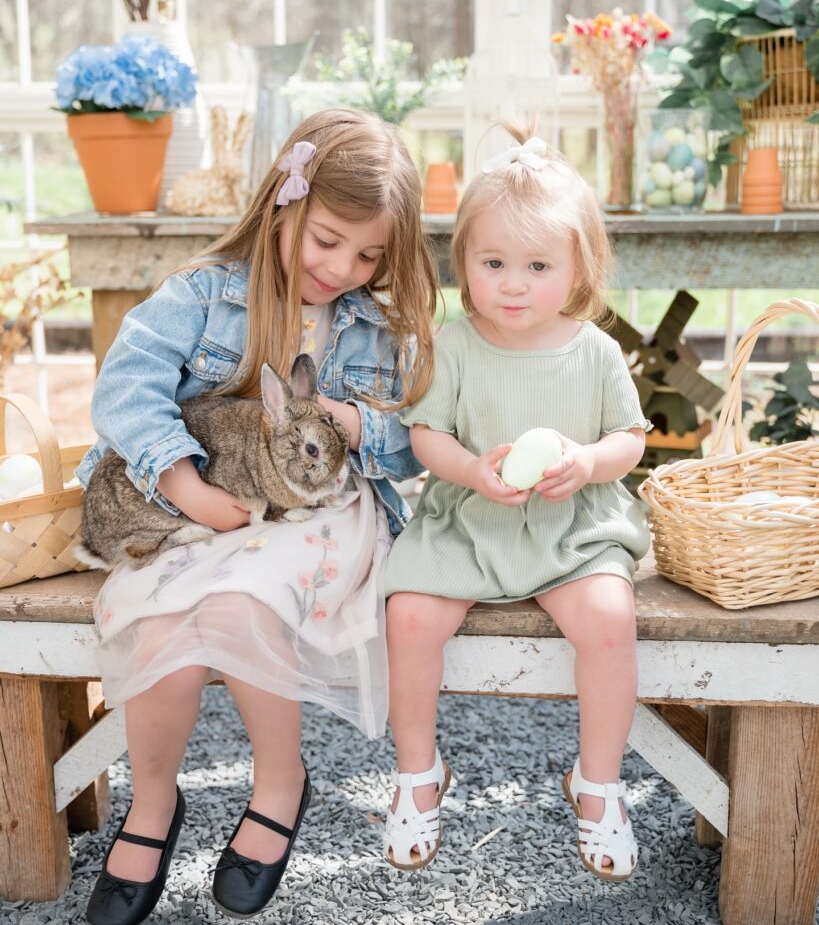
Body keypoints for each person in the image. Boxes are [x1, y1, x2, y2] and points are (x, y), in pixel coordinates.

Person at [77, 108, 437, 925]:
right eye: (326, 241)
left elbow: (415, 442)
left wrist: (355, 425)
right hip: (206, 508)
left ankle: (280, 782)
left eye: (368, 254)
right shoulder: (203, 293)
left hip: (321, 514)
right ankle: (153, 803)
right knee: (162, 616)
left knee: (241, 603)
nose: (342, 267)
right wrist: (185, 486)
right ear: (285, 203)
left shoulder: (374, 328)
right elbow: (124, 390)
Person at [381, 129, 652, 883]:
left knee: (608, 620)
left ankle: (596, 783)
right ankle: (418, 772)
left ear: (576, 269)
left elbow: (630, 438)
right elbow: (426, 433)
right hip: (470, 521)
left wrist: (586, 461)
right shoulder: (456, 344)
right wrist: (471, 469)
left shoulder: (593, 350)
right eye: (492, 263)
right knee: (407, 615)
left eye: (537, 266)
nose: (511, 284)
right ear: (462, 261)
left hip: (571, 527)